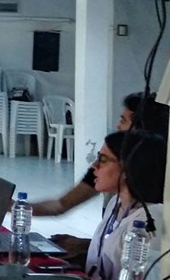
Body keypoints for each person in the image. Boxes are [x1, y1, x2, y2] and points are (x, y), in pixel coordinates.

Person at [31, 92, 169, 217]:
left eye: (123, 121)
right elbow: (61, 205)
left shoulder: (153, 210)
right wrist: (22, 208)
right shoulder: (107, 179)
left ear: (141, 132)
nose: (118, 126)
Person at [81, 131, 165, 280]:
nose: (94, 166)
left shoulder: (152, 218)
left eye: (103, 160)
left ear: (128, 168)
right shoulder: (115, 203)